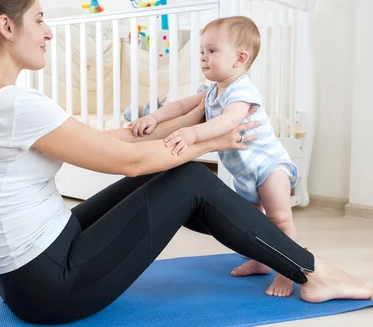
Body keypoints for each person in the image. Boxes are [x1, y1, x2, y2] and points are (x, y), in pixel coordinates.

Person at [0, 0, 373, 325]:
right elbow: (128, 161)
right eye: (40, 19)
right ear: (7, 27)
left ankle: (273, 255)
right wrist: (214, 138)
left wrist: (168, 125)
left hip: (29, 275)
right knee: (192, 179)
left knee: (173, 174)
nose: (48, 33)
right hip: (49, 288)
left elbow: (106, 143)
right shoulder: (12, 105)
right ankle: (313, 273)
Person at [128, 16, 300, 297]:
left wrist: (193, 134)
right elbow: (181, 106)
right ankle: (260, 261)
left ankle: (287, 273)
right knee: (251, 222)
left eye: (212, 51)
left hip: (269, 167)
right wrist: (154, 117)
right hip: (245, 172)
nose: (203, 58)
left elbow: (229, 122)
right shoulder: (210, 91)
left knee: (280, 220)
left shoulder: (241, 90)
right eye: (201, 52)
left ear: (240, 58)